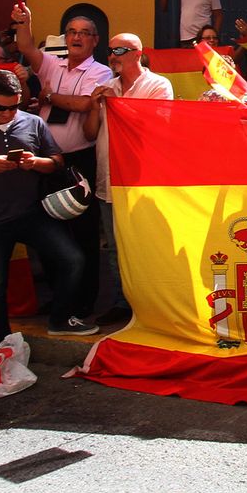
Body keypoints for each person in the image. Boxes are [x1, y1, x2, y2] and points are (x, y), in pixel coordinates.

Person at [0, 70, 92, 342]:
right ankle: (0, 342)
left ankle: (60, 319)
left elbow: (56, 161)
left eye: (14, 107)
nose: (8, 114)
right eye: (1, 108)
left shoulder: (33, 122)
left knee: (72, 259)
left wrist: (35, 162)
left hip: (32, 213)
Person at [10, 2, 113, 326]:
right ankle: (58, 297)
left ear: (95, 40)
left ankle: (82, 302)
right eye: (71, 32)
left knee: (82, 232)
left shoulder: (100, 72)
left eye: (84, 33)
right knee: (47, 229)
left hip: (80, 160)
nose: (77, 38)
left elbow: (84, 104)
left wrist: (50, 97)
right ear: (65, 37)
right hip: (48, 159)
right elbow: (26, 47)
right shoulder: (52, 65)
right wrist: (24, 22)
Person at [83, 32, 174, 325]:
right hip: (107, 180)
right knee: (114, 246)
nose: (112, 56)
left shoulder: (158, 85)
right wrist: (94, 107)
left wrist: (119, 105)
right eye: (110, 51)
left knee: (144, 244)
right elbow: (89, 133)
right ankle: (122, 303)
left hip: (140, 182)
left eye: (119, 50)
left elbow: (156, 128)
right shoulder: (106, 87)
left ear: (137, 53)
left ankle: (148, 305)